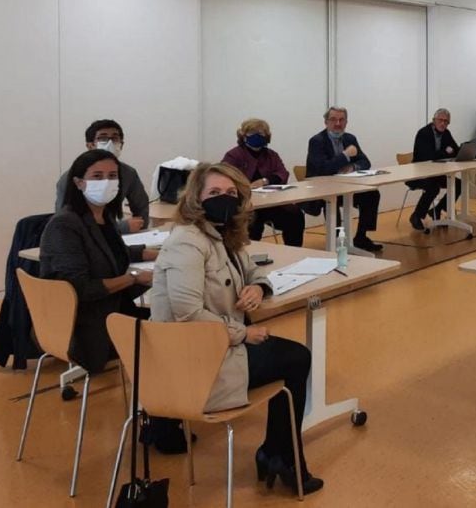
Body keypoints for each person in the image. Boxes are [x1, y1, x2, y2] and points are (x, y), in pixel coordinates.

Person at [148, 162, 323, 495]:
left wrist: (258, 288)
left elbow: (255, 272)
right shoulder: (188, 241)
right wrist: (243, 333)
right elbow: (188, 314)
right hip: (192, 359)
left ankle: (278, 454)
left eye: (231, 193)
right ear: (195, 198)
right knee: (295, 358)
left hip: (214, 345)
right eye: (214, 193)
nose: (224, 199)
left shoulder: (223, 235)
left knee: (294, 358)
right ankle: (280, 456)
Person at [39, 150, 156, 373]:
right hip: (87, 323)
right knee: (170, 329)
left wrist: (154, 254)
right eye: (97, 176)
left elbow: (110, 252)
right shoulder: (65, 225)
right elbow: (80, 288)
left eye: (113, 176)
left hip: (111, 309)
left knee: (170, 315)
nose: (107, 182)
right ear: (79, 182)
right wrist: (132, 278)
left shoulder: (103, 217)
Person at [305, 106, 383, 252]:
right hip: (323, 190)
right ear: (326, 122)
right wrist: (346, 156)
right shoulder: (317, 141)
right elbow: (323, 169)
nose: (338, 123)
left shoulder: (350, 138)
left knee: (372, 194)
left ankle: (361, 237)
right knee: (332, 200)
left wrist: (352, 167)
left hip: (347, 186)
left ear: (346, 122)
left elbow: (365, 162)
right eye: (333, 119)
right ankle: (336, 241)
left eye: (342, 120)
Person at [54, 119, 149, 233]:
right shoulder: (71, 177)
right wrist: (120, 228)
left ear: (121, 144)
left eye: (114, 138)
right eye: (103, 138)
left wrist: (141, 232)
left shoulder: (128, 173)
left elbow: (141, 207)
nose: (110, 143)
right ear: (90, 145)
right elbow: (64, 226)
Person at [223, 118, 305, 247]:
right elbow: (225, 177)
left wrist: (265, 181)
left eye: (261, 134)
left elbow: (283, 173)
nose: (257, 137)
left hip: (271, 203)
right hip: (245, 205)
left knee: (295, 215)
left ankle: (294, 251)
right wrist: (245, 186)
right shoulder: (234, 155)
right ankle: (250, 256)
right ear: (243, 136)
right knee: (252, 223)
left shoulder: (271, 155)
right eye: (252, 133)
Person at [407, 108, 461, 231]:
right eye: (440, 120)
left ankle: (438, 209)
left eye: (446, 122)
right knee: (433, 187)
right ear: (433, 120)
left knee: (458, 184)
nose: (443, 124)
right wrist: (445, 152)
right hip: (419, 173)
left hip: (436, 173)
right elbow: (427, 156)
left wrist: (447, 152)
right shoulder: (423, 133)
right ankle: (417, 215)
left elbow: (456, 150)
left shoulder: (446, 133)